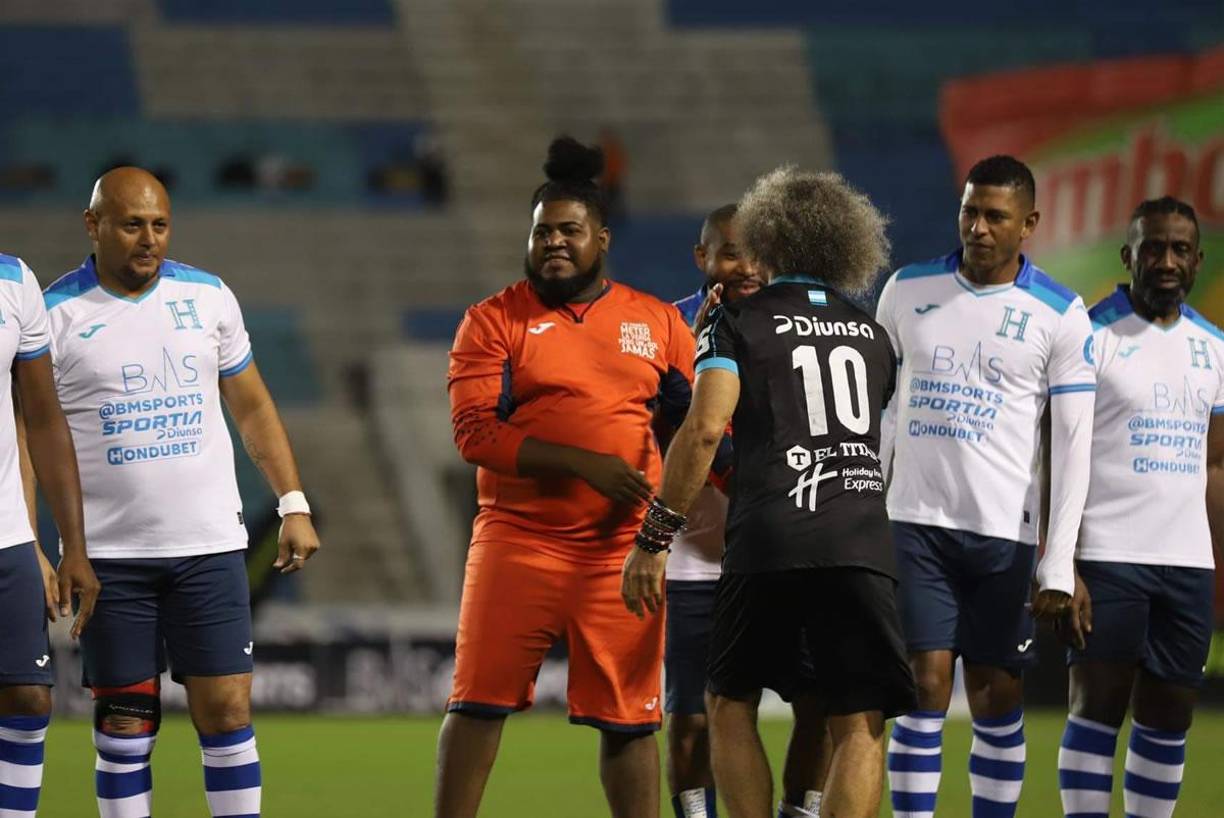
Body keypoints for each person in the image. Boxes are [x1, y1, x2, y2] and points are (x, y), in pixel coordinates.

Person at [623, 166, 916, 818]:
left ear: (770, 237)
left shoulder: (735, 321)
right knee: (859, 723)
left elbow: (702, 430)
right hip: (861, 537)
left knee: (729, 704)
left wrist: (654, 536)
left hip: (770, 536)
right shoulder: (872, 335)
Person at [42, 166, 320, 818]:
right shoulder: (54, 315)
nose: (149, 239)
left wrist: (293, 502)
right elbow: (32, 437)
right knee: (125, 727)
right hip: (111, 559)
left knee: (226, 711)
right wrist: (55, 544)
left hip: (209, 548)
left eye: (160, 225)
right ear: (93, 225)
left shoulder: (209, 297)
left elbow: (252, 407)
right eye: (132, 224)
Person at [436, 136, 695, 818]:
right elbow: (476, 435)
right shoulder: (492, 321)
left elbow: (697, 427)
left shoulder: (658, 321)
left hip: (622, 552)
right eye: (542, 231)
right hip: (517, 541)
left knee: (631, 721)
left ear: (601, 239)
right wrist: (587, 463)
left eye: (570, 231)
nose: (554, 242)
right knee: (476, 703)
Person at [876, 155, 1096, 818]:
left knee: (998, 696)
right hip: (914, 523)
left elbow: (1072, 444)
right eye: (970, 210)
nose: (978, 226)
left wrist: (1058, 562)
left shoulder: (1060, 313)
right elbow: (879, 409)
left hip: (1005, 535)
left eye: (995, 216)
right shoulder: (905, 290)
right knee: (924, 686)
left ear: (1028, 222)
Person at [1056, 196, 1219, 818]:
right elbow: (1057, 458)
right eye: (1153, 247)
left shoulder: (1215, 347)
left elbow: (1216, 465)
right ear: (1129, 256)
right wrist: (1061, 564)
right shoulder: (1091, 336)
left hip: (1186, 566)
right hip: (1107, 556)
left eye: (1180, 249)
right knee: (1095, 711)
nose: (1166, 260)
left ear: (1197, 260)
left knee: (1169, 720)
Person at [669, 204, 829, 818]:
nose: (747, 266)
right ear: (701, 256)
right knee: (691, 725)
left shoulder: (799, 324)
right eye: (731, 251)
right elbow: (672, 430)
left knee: (815, 704)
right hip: (697, 564)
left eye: (759, 251)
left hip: (787, 550)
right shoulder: (672, 329)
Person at [0, 251, 99, 817]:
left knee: (27, 698)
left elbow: (39, 416)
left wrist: (58, 543)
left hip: (7, 537)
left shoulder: (14, 280)